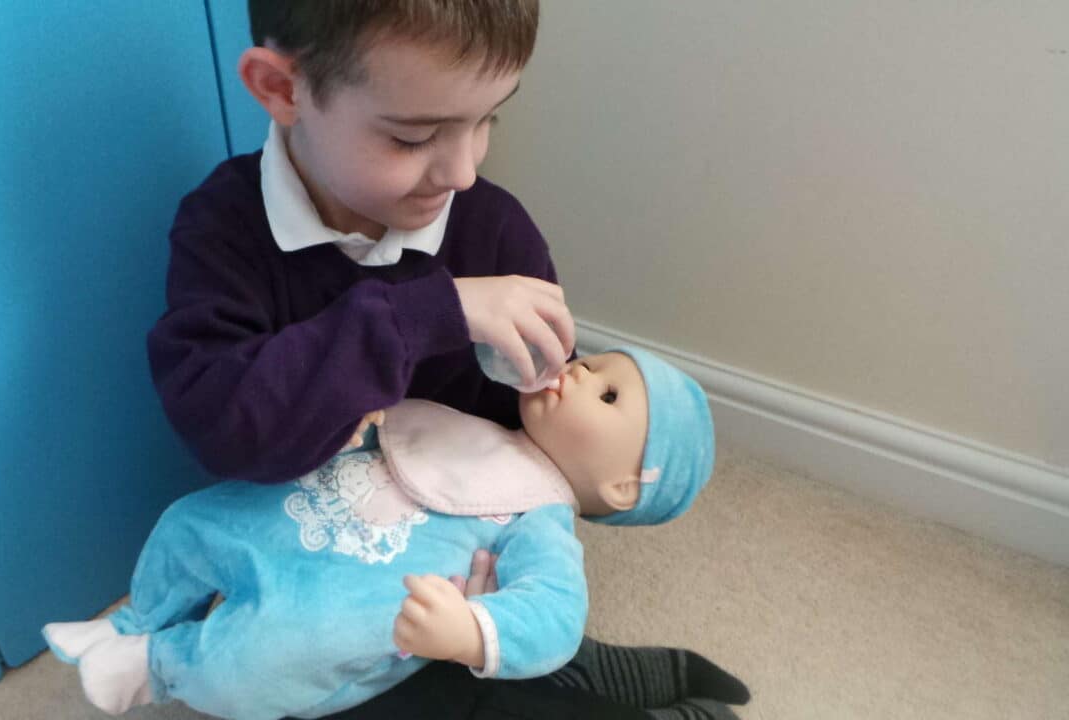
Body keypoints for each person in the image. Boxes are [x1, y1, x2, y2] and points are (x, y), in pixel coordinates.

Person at [135, 1, 748, 716]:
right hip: (311, 558)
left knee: (463, 686)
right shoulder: (225, 228)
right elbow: (227, 429)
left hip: (440, 572)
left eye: (489, 120)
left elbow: (542, 447)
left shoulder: (495, 229)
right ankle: (579, 672)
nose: (463, 171)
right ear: (282, 89)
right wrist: (427, 313)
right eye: (413, 137)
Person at [44, 348, 726, 719]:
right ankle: (136, 621)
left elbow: (553, 613)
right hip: (298, 521)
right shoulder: (477, 423)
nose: (579, 368)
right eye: (597, 361)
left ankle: (159, 666)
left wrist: (472, 630)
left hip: (355, 620)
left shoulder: (540, 519)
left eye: (607, 395)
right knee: (192, 520)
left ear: (621, 488)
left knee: (272, 655)